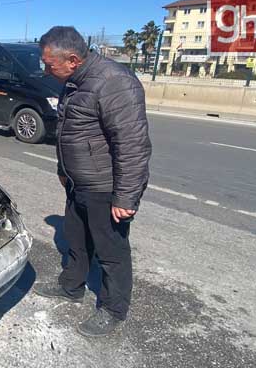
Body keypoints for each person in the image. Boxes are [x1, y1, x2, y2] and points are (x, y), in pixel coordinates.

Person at [33, 26, 152, 337]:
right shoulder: (74, 82)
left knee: (111, 252)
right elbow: (68, 132)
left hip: (105, 187)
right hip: (78, 183)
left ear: (72, 59)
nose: (46, 69)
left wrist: (125, 197)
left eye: (49, 64)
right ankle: (71, 286)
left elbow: (132, 144)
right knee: (76, 238)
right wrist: (63, 169)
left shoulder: (114, 82)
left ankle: (113, 309)